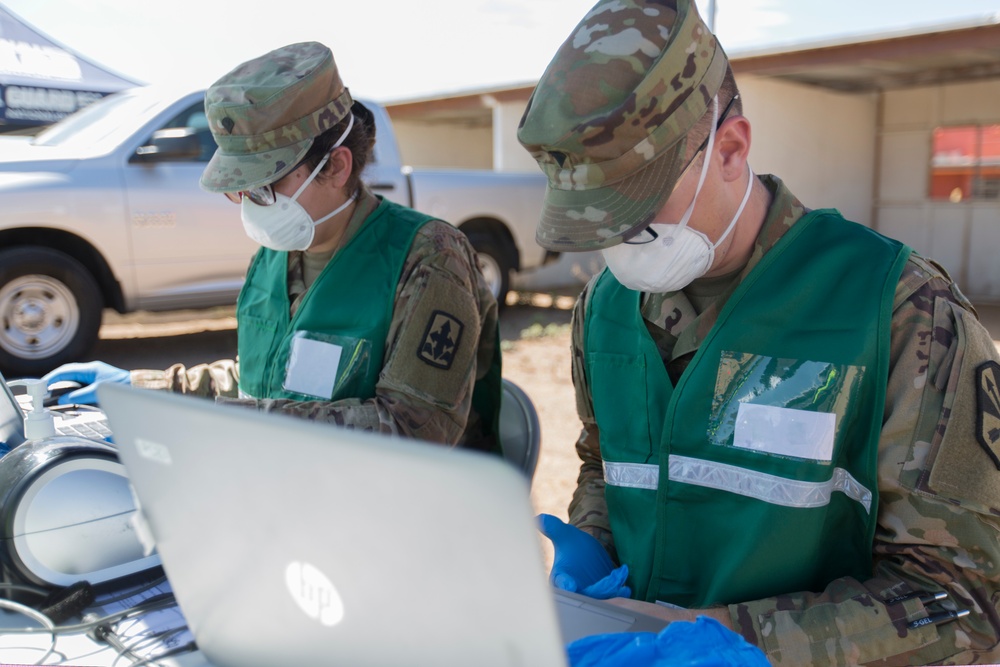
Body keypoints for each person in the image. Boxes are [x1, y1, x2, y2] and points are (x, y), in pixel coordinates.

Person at [517, 0, 1000, 664]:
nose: (616, 243)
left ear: (732, 148)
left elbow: (964, 600)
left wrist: (747, 642)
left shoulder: (897, 308)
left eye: (633, 207)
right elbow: (605, 463)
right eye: (594, 223)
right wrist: (593, 543)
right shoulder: (605, 306)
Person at [44, 42, 502, 452]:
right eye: (238, 188)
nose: (247, 205)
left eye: (262, 186)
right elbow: (261, 380)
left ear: (337, 167)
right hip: (287, 490)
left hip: (403, 517)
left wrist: (223, 421)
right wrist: (145, 388)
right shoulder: (279, 252)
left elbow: (413, 431)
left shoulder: (427, 257)